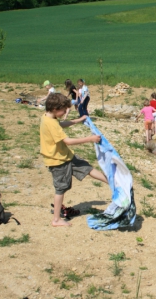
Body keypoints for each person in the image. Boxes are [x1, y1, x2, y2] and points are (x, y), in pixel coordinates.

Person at [39, 93, 108, 227]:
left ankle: (111, 182)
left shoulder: (48, 117)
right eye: (64, 110)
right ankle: (56, 220)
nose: (65, 112)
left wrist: (77, 120)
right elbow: (68, 141)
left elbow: (60, 125)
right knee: (61, 188)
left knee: (86, 168)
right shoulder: (50, 123)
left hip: (66, 156)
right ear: (54, 108)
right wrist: (90, 139)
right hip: (57, 161)